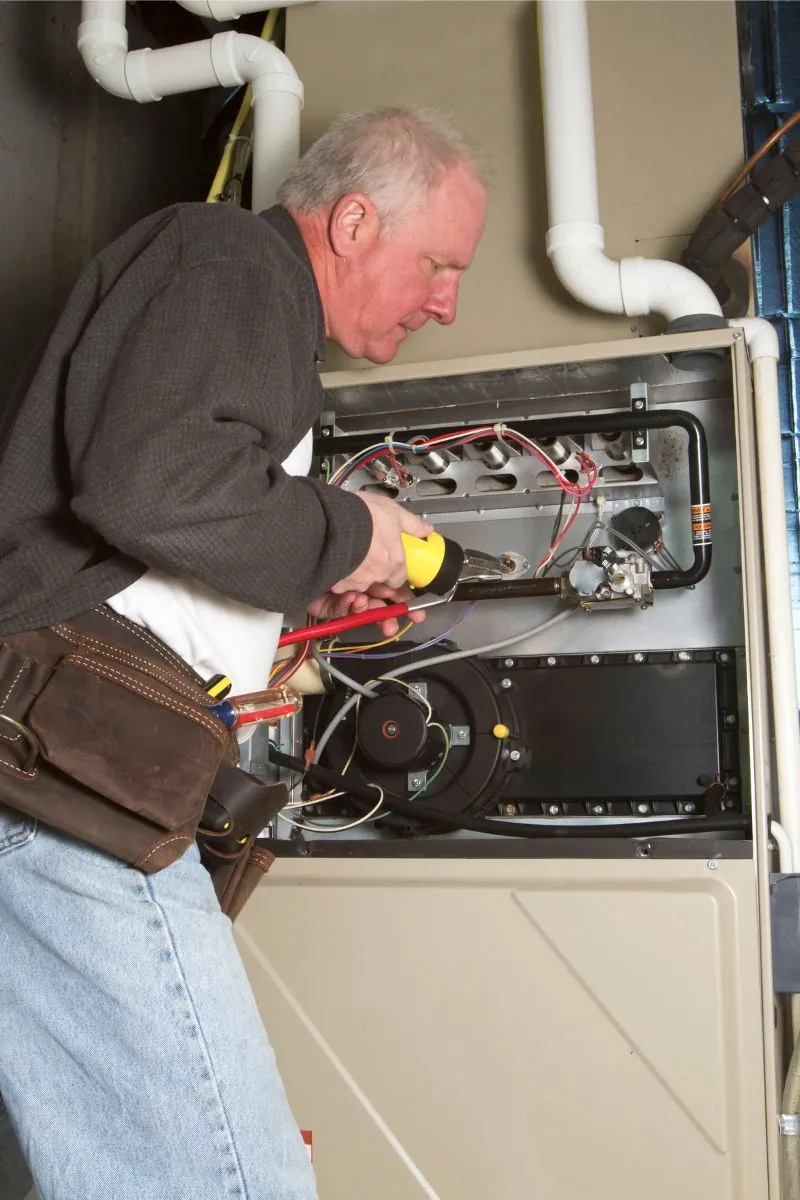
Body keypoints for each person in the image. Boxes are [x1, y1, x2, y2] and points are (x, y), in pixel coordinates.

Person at [0, 106, 486, 1200]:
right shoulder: (228, 257)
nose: (448, 301)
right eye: (440, 264)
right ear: (354, 221)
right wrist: (354, 528)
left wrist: (296, 583)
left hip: (54, 765)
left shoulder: (242, 301)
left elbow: (154, 503)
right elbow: (148, 484)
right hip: (72, 784)